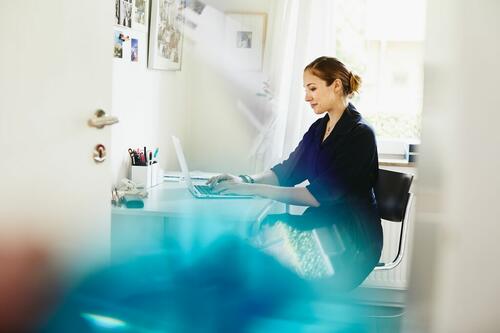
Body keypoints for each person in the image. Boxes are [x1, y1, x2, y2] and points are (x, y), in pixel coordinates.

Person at [207, 56, 383, 291]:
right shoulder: (319, 128)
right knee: (265, 229)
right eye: (306, 89)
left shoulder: (360, 135)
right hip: (323, 224)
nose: (307, 97)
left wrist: (250, 189)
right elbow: (286, 172)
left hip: (351, 241)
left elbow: (315, 196)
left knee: (268, 254)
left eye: (312, 88)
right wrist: (244, 179)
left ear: (336, 86)